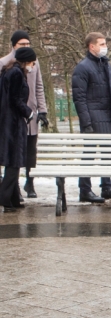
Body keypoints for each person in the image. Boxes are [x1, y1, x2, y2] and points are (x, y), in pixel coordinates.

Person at [72, 32, 111, 203]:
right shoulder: (83, 67)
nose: (105, 47)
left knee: (107, 153)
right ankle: (85, 190)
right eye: (101, 44)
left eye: (105, 43)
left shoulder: (106, 65)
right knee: (89, 154)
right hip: (93, 117)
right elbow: (79, 98)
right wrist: (86, 122)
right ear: (91, 46)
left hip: (108, 116)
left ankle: (106, 187)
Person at [0, 31, 48, 199]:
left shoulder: (33, 63)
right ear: (14, 45)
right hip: (15, 116)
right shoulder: (7, 66)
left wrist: (42, 110)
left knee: (28, 152)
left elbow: (39, 87)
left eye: (28, 43)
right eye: (22, 44)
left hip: (28, 115)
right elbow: (12, 97)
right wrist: (26, 111)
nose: (26, 46)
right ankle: (11, 191)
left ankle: (28, 183)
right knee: (13, 156)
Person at [0, 47, 35, 211]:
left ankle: (12, 199)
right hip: (13, 122)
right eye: (32, 63)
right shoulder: (16, 74)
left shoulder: (9, 72)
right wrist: (28, 112)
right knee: (14, 163)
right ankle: (4, 196)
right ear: (26, 61)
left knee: (13, 161)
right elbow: (15, 99)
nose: (32, 66)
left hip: (8, 121)